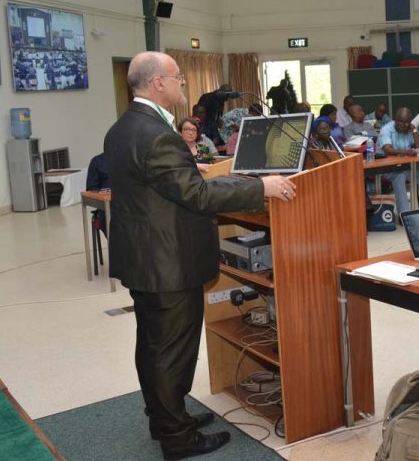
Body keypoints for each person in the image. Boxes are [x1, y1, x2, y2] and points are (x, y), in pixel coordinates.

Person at [104, 51, 296, 460]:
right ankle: (177, 437)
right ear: (158, 82)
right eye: (178, 77)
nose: (183, 83)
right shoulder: (157, 134)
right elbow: (197, 196)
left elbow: (162, 185)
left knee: (153, 345)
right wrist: (260, 187)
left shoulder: (124, 126)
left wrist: (193, 172)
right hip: (167, 262)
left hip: (143, 257)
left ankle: (165, 417)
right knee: (171, 350)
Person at [377, 108, 419, 216]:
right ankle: (404, 215)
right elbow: (387, 150)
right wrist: (406, 152)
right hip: (386, 168)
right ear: (395, 119)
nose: (403, 125)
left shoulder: (409, 130)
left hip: (404, 167)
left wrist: (414, 131)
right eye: (400, 121)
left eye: (406, 122)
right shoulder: (386, 129)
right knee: (399, 177)